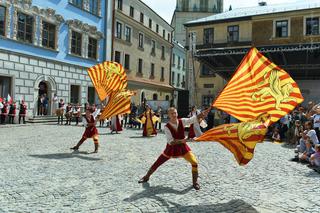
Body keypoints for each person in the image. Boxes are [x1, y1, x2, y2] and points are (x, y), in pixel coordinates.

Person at [138, 107, 209, 190]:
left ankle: (195, 182)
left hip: (183, 148)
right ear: (168, 115)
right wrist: (184, 140)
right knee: (158, 162)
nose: (174, 115)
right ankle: (146, 177)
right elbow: (171, 142)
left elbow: (192, 119)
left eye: (175, 113)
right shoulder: (166, 127)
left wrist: (202, 114)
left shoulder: (182, 121)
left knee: (194, 162)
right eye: (172, 113)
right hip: (171, 149)